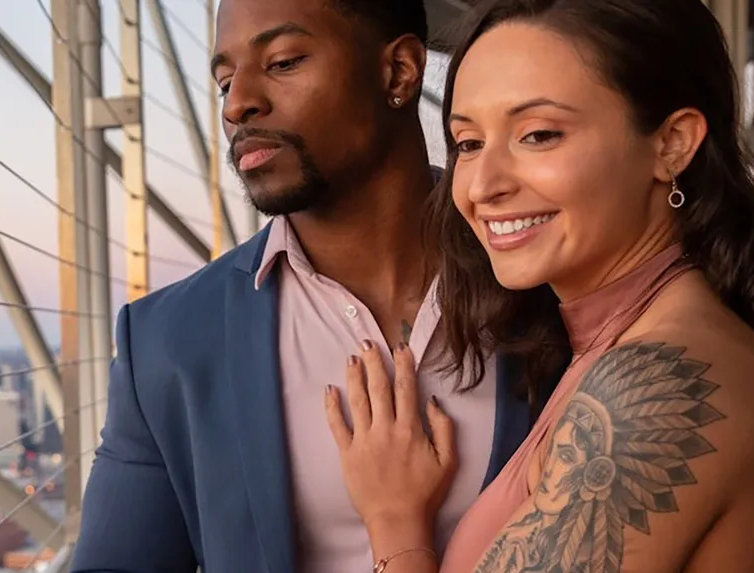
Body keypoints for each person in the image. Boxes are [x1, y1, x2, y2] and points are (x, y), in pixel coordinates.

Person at [324, 1, 754, 572]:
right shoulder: (624, 342)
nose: (482, 185)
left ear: (672, 144)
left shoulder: (658, 380)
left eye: (539, 134)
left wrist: (394, 520)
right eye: (468, 143)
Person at [70, 1, 565, 572]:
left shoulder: (553, 282)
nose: (237, 104)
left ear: (400, 71)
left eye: (282, 62)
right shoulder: (166, 341)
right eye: (225, 80)